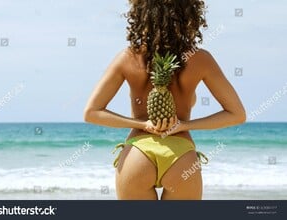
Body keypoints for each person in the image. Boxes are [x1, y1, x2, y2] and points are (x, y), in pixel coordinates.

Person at [84, 0, 246, 200]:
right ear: (189, 15)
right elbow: (237, 114)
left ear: (141, 14)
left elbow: (92, 113)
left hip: (137, 154)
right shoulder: (200, 59)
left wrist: (142, 124)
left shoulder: (128, 58)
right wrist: (184, 125)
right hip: (181, 155)